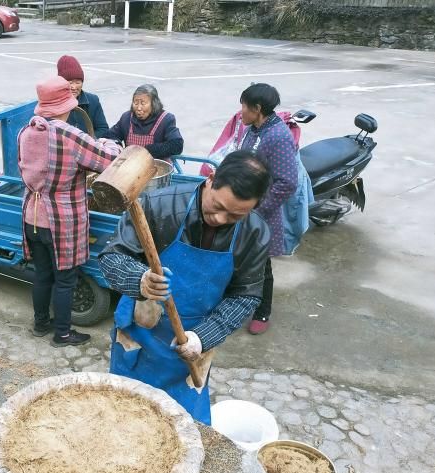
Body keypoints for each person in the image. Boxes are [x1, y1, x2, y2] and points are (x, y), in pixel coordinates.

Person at [99, 151, 271, 425]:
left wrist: (203, 338)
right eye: (217, 206)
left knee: (182, 423)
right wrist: (139, 280)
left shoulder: (255, 233)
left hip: (191, 343)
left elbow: (245, 296)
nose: (221, 219)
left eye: (236, 215)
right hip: (140, 335)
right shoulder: (158, 206)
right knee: (126, 415)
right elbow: (112, 258)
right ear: (210, 180)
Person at [19, 75, 121, 347]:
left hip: (32, 216)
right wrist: (111, 143)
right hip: (61, 220)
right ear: (67, 106)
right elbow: (108, 160)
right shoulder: (69, 135)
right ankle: (62, 334)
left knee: (42, 274)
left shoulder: (26, 131)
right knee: (65, 279)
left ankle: (41, 324)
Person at [238, 83, 299, 335]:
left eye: (244, 106)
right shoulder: (254, 129)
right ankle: (237, 302)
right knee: (239, 259)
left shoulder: (278, 136)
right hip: (241, 208)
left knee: (260, 264)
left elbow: (287, 182)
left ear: (258, 108)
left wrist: (258, 210)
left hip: (261, 213)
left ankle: (263, 311)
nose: (240, 111)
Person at [104, 84, 183, 162]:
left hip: (156, 168)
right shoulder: (127, 118)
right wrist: (117, 146)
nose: (138, 108)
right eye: (136, 103)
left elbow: (177, 145)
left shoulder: (166, 119)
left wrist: (148, 150)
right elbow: (109, 135)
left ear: (154, 104)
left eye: (143, 103)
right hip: (130, 166)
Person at [56, 55, 109, 138]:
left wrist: (87, 142)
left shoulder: (93, 100)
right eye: (70, 83)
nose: (74, 87)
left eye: (78, 82)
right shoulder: (53, 102)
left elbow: (103, 129)